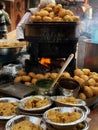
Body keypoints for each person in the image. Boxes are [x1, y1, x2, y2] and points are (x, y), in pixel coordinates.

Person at [16, 0, 56, 73]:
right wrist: (21, 38)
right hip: (35, 42)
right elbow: (20, 26)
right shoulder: (32, 12)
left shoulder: (53, 14)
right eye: (47, 8)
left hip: (49, 41)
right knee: (35, 57)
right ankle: (35, 68)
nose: (50, 10)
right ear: (41, 6)